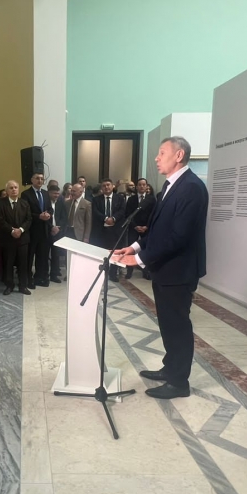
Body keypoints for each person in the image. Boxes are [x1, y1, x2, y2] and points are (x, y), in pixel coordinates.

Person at [114, 136, 208, 400]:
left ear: (179, 155)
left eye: (162, 153)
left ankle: (179, 383)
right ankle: (170, 368)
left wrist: (140, 260)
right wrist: (134, 247)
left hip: (179, 271)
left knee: (177, 325)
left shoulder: (191, 188)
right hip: (166, 270)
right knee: (167, 323)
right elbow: (158, 230)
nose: (156, 158)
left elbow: (178, 237)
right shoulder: (170, 186)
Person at [0, 180, 32, 296]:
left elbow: (29, 219)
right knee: (8, 263)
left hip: (23, 239)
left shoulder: (24, 203)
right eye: (11, 188)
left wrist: (20, 230)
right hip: (8, 238)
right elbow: (0, 220)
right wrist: (12, 230)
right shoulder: (1, 204)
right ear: (7, 190)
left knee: (23, 264)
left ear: (18, 189)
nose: (14, 189)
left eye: (16, 187)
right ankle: (9, 285)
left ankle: (23, 286)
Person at [21, 172, 53, 288]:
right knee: (30, 257)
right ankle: (28, 280)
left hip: (44, 230)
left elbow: (50, 209)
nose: (40, 181)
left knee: (42, 256)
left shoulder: (45, 193)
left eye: (42, 179)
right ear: (32, 180)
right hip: (32, 230)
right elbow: (25, 212)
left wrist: (48, 214)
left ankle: (40, 278)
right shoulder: (26, 194)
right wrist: (39, 216)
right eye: (37, 178)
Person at [92, 177, 126, 279]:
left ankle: (113, 274)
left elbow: (122, 210)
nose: (106, 187)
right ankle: (101, 273)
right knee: (101, 252)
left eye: (108, 185)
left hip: (116, 230)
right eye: (104, 186)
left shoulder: (120, 198)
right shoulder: (96, 199)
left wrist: (113, 218)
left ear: (112, 186)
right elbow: (95, 211)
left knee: (115, 252)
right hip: (101, 231)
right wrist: (106, 218)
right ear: (101, 188)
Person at [124, 177, 155, 279]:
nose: (142, 186)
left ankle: (146, 271)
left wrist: (147, 226)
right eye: (140, 185)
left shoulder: (151, 199)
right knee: (131, 248)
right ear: (137, 187)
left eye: (144, 185)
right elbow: (128, 214)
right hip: (134, 227)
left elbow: (153, 214)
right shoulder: (131, 199)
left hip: (146, 227)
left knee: (146, 249)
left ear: (146, 186)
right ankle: (129, 270)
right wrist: (135, 226)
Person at [47, 183, 66, 283]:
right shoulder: (45, 202)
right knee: (44, 254)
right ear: (49, 193)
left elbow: (64, 217)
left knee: (56, 255)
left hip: (57, 232)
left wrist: (58, 228)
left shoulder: (61, 203)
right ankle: (44, 274)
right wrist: (51, 227)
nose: (56, 195)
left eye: (58, 193)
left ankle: (54, 275)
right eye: (54, 193)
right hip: (47, 231)